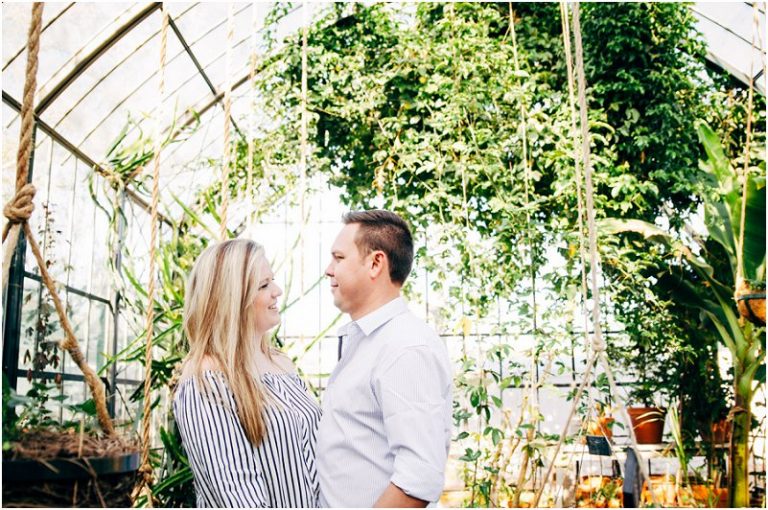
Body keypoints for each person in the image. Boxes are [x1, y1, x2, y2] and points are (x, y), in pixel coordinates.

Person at [317, 210, 453, 507]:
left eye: (339, 258)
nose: (328, 270)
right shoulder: (367, 341)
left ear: (375, 263)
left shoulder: (405, 347)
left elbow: (418, 477)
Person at [173, 239, 322, 508]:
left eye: (272, 281)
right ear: (231, 299)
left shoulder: (281, 363)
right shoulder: (206, 380)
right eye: (263, 285)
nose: (277, 291)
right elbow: (238, 494)